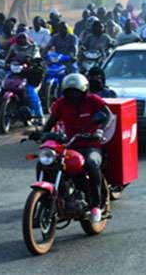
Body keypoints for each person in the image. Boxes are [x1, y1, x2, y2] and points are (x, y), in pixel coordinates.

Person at [40, 73, 111, 224]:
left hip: (91, 144)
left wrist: (99, 130)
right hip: (70, 144)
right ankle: (49, 199)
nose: (73, 96)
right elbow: (51, 120)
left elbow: (107, 115)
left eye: (76, 92)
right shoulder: (61, 103)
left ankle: (96, 206)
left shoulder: (93, 100)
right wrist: (43, 134)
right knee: (46, 163)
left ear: (84, 91)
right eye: (69, 92)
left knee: (91, 164)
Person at [6, 32, 44, 122]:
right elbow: (7, 59)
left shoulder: (33, 47)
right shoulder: (13, 47)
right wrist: (6, 64)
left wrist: (32, 62)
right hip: (16, 72)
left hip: (30, 74)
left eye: (23, 38)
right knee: (3, 84)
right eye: (19, 38)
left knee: (31, 92)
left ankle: (39, 116)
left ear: (27, 39)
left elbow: (36, 58)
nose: (21, 40)